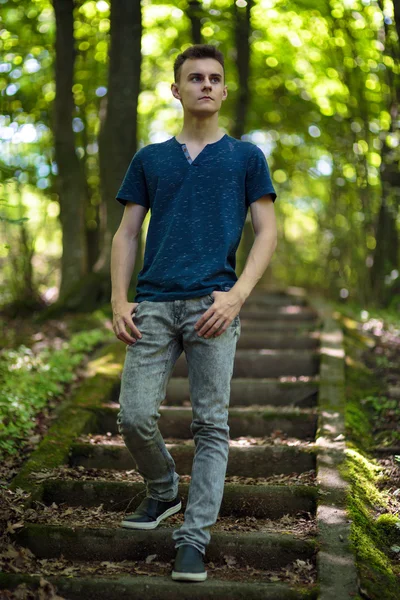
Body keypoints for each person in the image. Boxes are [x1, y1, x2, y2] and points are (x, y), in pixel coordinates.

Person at [110, 43, 278, 583]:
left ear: (224, 90)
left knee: (211, 424)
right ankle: (163, 491)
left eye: (214, 78)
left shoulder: (246, 157)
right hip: (153, 304)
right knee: (133, 415)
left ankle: (194, 538)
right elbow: (127, 232)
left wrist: (237, 297)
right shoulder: (150, 159)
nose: (205, 84)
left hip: (214, 305)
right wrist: (118, 298)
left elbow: (267, 231)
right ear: (176, 90)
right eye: (194, 77)